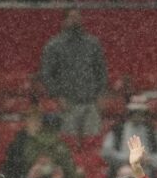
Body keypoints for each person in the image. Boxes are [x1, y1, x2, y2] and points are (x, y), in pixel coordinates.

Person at [40, 8, 108, 138]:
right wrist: (58, 96)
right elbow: (46, 75)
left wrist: (101, 95)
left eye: (77, 17)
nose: (75, 20)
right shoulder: (53, 46)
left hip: (91, 103)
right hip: (67, 104)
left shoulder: (93, 44)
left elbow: (101, 71)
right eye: (71, 17)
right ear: (64, 21)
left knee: (92, 141)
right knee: (69, 141)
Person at [101, 95, 157, 178]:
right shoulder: (117, 130)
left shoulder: (153, 132)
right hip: (122, 172)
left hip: (147, 173)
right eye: (134, 112)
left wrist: (149, 159)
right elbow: (106, 152)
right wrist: (127, 159)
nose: (137, 115)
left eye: (140, 112)